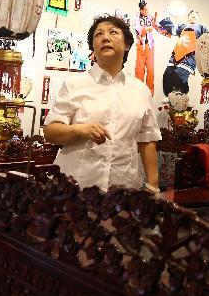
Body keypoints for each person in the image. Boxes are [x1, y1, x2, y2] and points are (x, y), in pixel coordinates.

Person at [44, 15, 161, 192]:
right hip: (75, 188)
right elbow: (50, 132)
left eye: (113, 32)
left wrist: (153, 186)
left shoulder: (141, 90)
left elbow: (147, 139)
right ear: (93, 47)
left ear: (127, 45)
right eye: (98, 34)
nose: (105, 37)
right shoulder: (74, 84)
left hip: (124, 188)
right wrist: (80, 129)